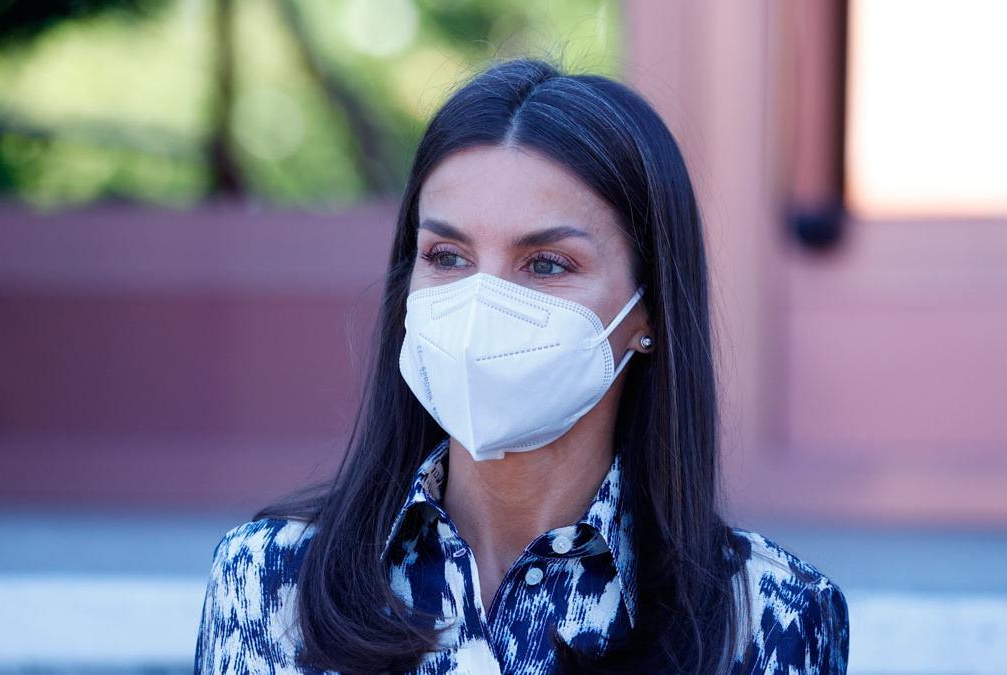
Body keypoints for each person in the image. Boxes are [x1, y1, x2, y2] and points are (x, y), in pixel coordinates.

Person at [193, 57, 849, 674]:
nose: (481, 304)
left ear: (649, 313)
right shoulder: (270, 582)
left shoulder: (770, 616)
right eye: (447, 256)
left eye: (546, 264)